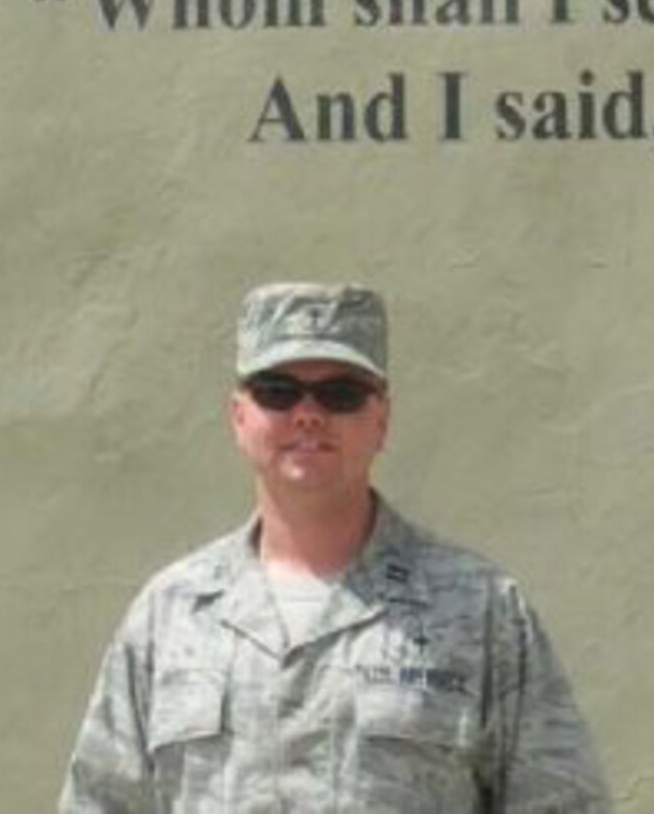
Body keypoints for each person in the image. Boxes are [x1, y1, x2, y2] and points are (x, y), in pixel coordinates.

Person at [61, 282, 612, 812]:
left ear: (381, 419)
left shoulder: (480, 609)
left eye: (340, 394)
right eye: (277, 391)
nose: (308, 414)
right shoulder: (173, 613)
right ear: (239, 415)